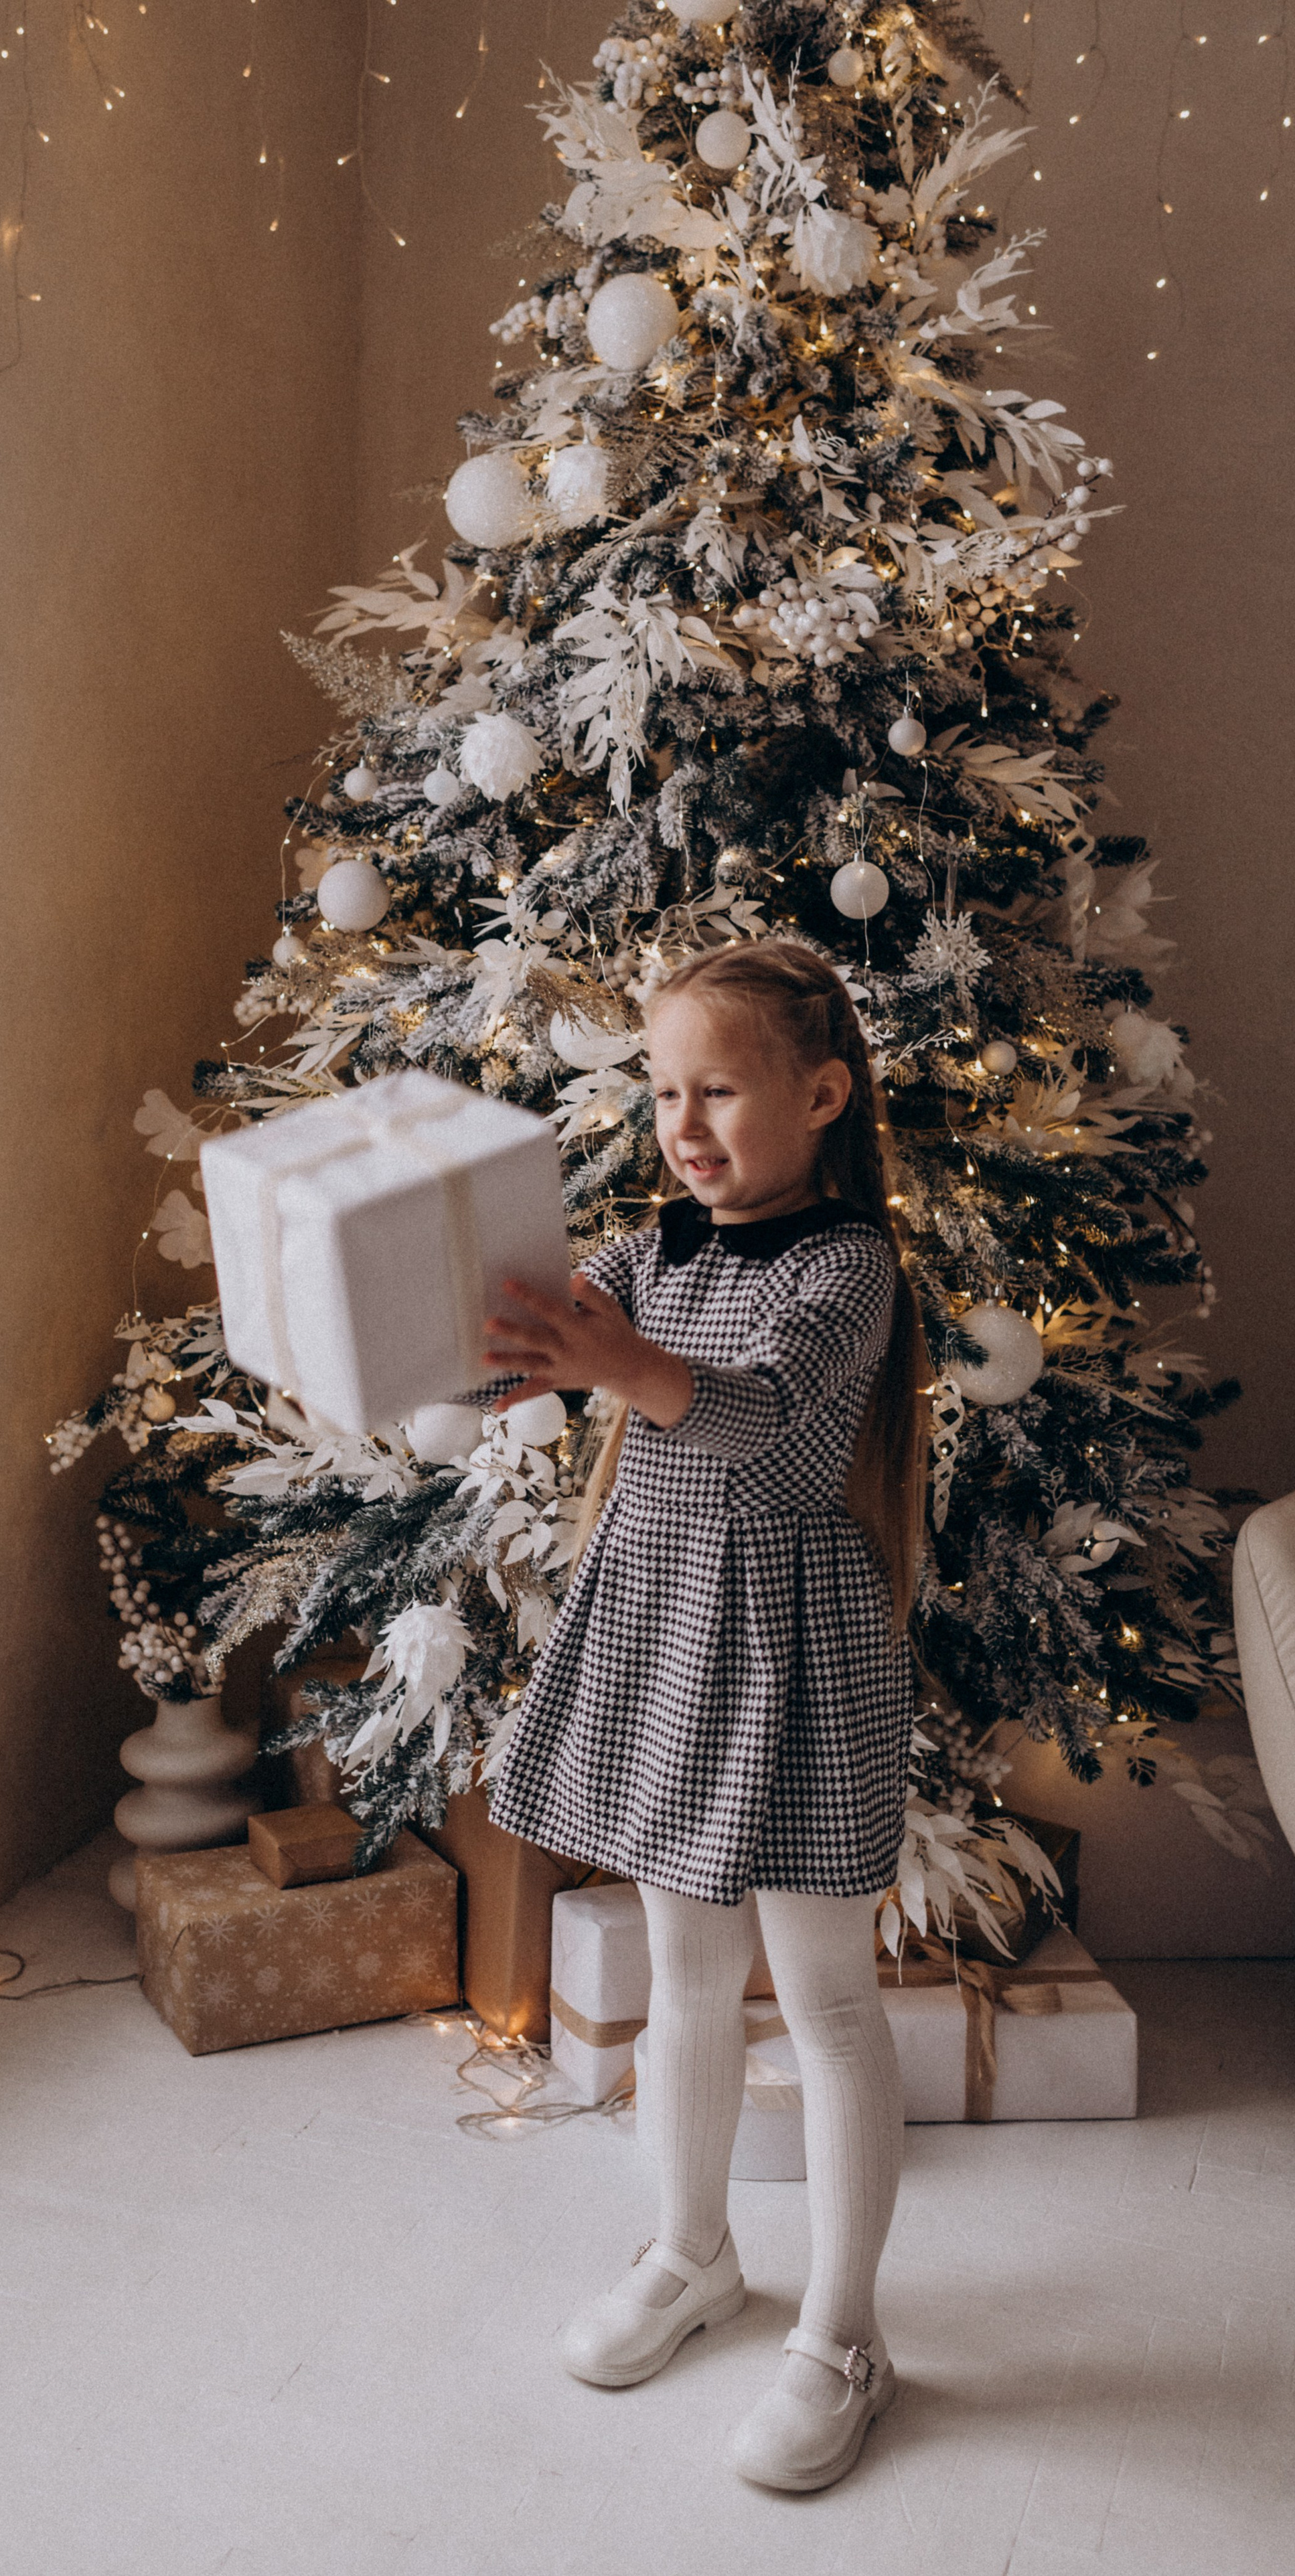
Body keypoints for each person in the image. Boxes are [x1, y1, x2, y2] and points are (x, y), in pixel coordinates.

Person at [480, 937, 927, 2495]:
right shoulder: (648, 1250)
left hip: (801, 1671)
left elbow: (767, 1432)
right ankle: (690, 2251)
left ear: (818, 1093)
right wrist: (499, 1341)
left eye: (717, 1088)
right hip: (673, 1645)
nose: (683, 1120)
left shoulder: (843, 1265)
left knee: (825, 1995)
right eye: (664, 1089)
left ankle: (847, 2332)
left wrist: (618, 1360)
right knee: (682, 1968)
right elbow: (539, 1336)